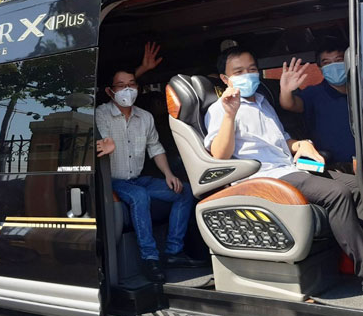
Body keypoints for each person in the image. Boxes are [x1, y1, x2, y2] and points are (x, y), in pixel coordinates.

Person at [205, 46, 363, 284]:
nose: (248, 75)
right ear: (225, 79)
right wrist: (229, 114)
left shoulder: (262, 102)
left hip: (290, 168)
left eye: (252, 69)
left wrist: (301, 145)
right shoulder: (220, 109)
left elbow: (282, 140)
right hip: (263, 177)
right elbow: (219, 155)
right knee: (337, 193)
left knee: (357, 185)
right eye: (239, 71)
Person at [96, 69, 203, 283]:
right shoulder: (101, 113)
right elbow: (100, 143)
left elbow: (155, 148)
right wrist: (103, 146)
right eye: (121, 85)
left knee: (184, 192)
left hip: (137, 178)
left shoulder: (145, 117)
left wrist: (168, 174)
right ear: (110, 91)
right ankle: (150, 258)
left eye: (132, 84)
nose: (127, 89)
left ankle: (173, 253)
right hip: (114, 181)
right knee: (139, 196)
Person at [278, 38, 355, 167]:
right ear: (320, 68)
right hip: (335, 165)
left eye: (338, 60)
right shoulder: (314, 93)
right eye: (327, 62)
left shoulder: (358, 89)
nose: (334, 66)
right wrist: (285, 90)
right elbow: (289, 104)